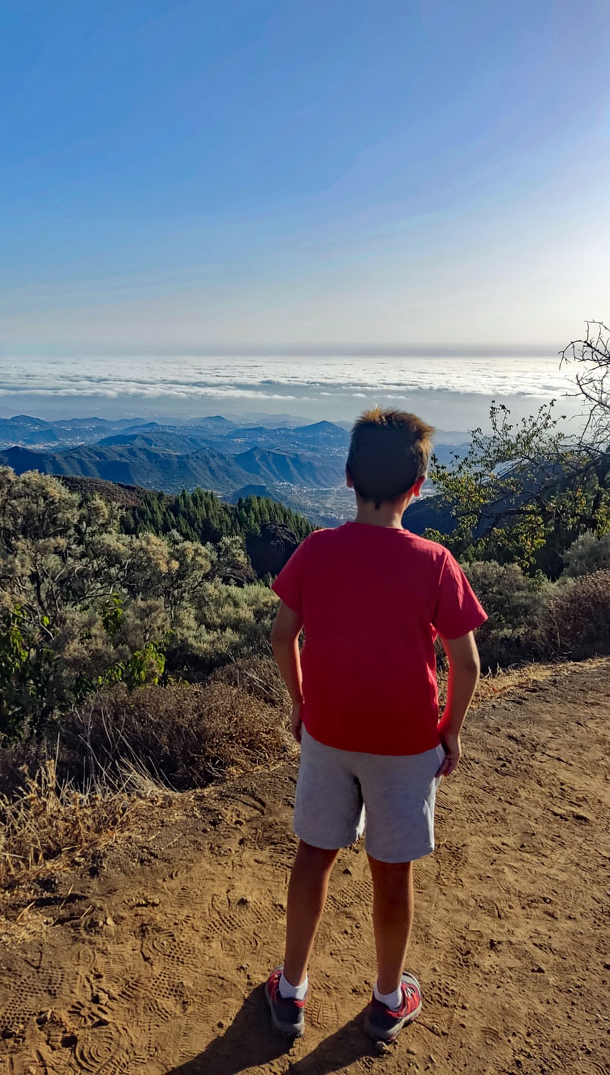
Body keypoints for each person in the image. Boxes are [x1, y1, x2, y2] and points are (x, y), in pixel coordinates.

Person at [264, 407, 487, 1044]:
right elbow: (464, 662)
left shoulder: (317, 550)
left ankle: (292, 992)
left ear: (347, 478)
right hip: (406, 743)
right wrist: (450, 727)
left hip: (328, 735)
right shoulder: (435, 561)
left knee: (314, 857)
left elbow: (284, 636)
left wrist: (301, 703)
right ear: (417, 487)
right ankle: (388, 999)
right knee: (392, 872)